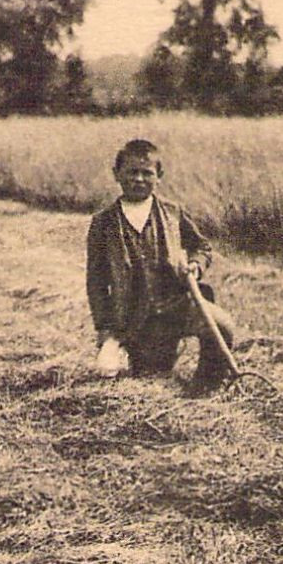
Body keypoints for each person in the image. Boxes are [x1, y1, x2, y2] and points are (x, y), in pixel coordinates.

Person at [86, 138, 236, 387]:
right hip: (135, 318)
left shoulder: (173, 212)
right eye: (132, 172)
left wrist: (196, 266)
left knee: (222, 326)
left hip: (175, 306)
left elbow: (202, 247)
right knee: (150, 379)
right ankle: (140, 360)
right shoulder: (103, 223)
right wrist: (105, 329)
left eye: (147, 173)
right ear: (117, 174)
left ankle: (206, 386)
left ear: (159, 176)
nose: (139, 179)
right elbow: (96, 280)